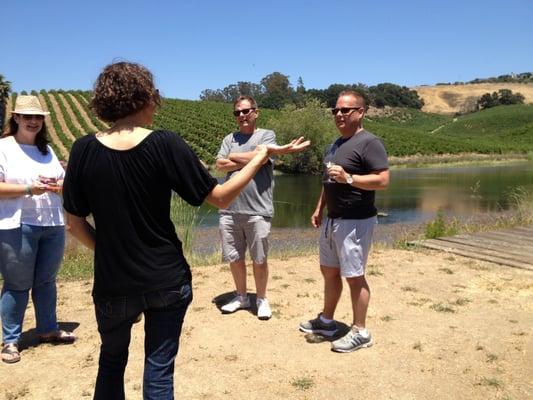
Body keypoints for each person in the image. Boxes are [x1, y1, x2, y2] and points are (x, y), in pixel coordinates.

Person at [62, 62, 298, 400]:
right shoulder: (165, 143)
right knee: (158, 373)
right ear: (145, 97)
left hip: (113, 284)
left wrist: (109, 251)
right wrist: (260, 158)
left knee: (111, 362)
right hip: (164, 279)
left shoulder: (83, 149)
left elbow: (73, 222)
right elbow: (219, 198)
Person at [299, 90, 390, 352]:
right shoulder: (335, 145)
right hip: (332, 220)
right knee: (329, 271)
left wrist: (350, 178)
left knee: (354, 276)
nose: (339, 114)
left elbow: (383, 180)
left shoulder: (369, 143)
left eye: (345, 110)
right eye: (336, 110)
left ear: (360, 112)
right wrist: (319, 208)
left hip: (356, 222)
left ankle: (360, 331)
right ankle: (327, 321)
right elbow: (329, 182)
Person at [216, 96, 310, 320]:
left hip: (257, 210)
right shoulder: (230, 138)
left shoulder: (266, 136)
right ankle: (241, 296)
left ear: (255, 112)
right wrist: (256, 156)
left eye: (246, 111)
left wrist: (238, 156)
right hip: (229, 210)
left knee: (259, 259)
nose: (241, 116)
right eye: (237, 113)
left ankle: (261, 299)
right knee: (234, 257)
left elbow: (264, 155)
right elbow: (220, 164)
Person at [0, 95, 75, 364]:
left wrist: (57, 187)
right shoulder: (3, 148)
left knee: (46, 281)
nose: (33, 121)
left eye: (38, 117)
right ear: (16, 118)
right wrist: (29, 189)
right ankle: (10, 340)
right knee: (18, 284)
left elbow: (66, 185)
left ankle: (47, 329)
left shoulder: (48, 151)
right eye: (28, 116)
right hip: (17, 224)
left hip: (52, 222)